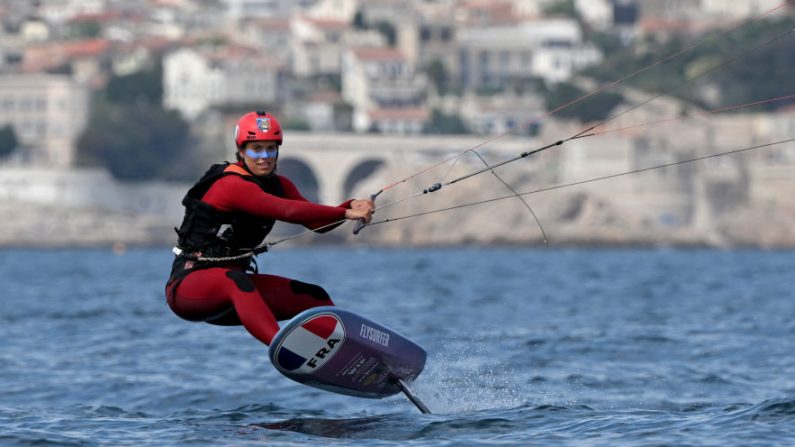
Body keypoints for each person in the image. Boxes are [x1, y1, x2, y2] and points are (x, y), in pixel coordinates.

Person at [165, 111, 373, 346]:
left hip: (238, 294)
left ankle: (347, 353)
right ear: (242, 151)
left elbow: (318, 224)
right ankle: (283, 349)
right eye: (256, 149)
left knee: (315, 298)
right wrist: (345, 213)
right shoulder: (231, 185)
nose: (264, 157)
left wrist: (347, 206)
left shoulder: (280, 184)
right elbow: (286, 211)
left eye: (271, 149)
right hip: (189, 289)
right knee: (235, 280)